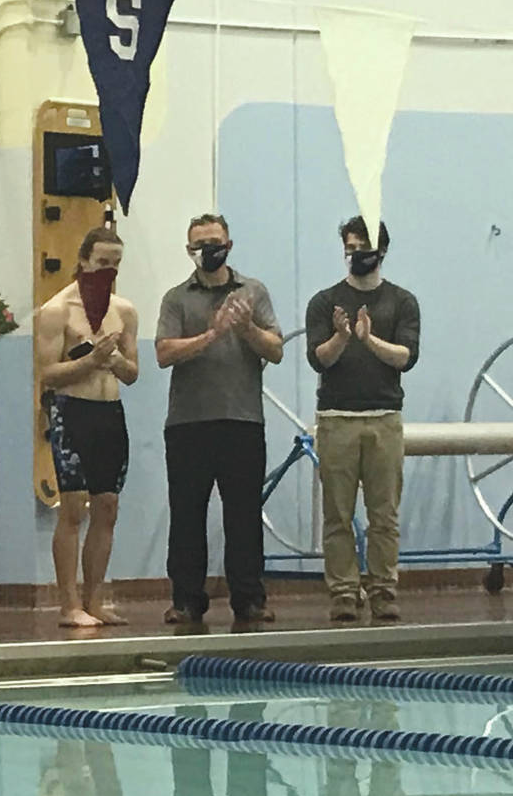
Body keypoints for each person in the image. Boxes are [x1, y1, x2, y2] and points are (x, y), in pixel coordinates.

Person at [154, 214, 284, 625]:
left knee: (244, 514)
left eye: (214, 241)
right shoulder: (177, 298)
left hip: (243, 420)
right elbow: (163, 353)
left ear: (229, 243)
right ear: (189, 250)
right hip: (188, 423)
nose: (208, 249)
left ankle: (249, 598)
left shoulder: (253, 291)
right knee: (187, 514)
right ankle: (187, 599)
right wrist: (211, 335)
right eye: (199, 244)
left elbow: (276, 349)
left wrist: (245, 328)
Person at [306, 217, 419, 622]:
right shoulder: (324, 302)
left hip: (385, 418)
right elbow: (318, 357)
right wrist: (341, 336)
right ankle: (343, 592)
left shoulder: (401, 302)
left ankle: (384, 590)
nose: (356, 255)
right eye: (350, 248)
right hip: (336, 418)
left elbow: (406, 357)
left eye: (363, 248)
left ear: (382, 251)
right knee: (337, 513)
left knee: (384, 514)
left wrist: (369, 339)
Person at [34, 225, 139, 628]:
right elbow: (48, 373)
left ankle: (96, 600)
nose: (108, 271)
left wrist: (113, 362)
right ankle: (69, 604)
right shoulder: (58, 309)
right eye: (101, 263)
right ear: (83, 261)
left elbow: (132, 373)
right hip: (71, 412)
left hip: (109, 412)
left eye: (115, 264)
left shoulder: (124, 311)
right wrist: (89, 361)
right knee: (74, 508)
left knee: (107, 508)